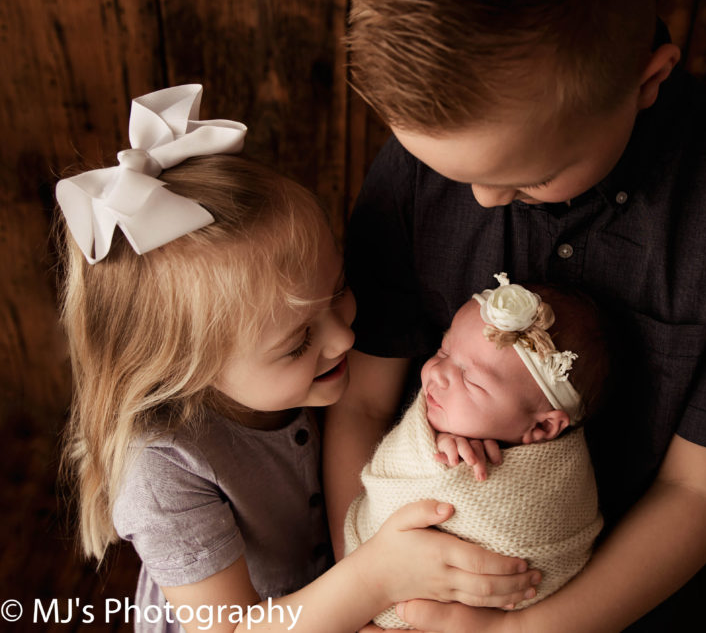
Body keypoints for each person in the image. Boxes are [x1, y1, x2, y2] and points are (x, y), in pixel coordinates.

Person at [326, 0, 706, 631]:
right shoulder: (416, 169)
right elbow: (361, 400)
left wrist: (513, 631)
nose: (480, 197)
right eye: (446, 170)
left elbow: (699, 492)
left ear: (647, 81)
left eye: (528, 179)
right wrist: (363, 581)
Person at [56, 85, 540, 633]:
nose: (341, 339)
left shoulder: (315, 376)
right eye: (296, 342)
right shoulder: (162, 469)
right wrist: (376, 577)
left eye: (338, 291)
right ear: (183, 373)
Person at [344, 274, 608, 629]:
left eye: (471, 379)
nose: (437, 372)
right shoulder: (438, 424)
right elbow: (389, 478)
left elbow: (544, 545)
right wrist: (431, 448)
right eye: (443, 350)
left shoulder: (558, 480)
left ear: (542, 428)